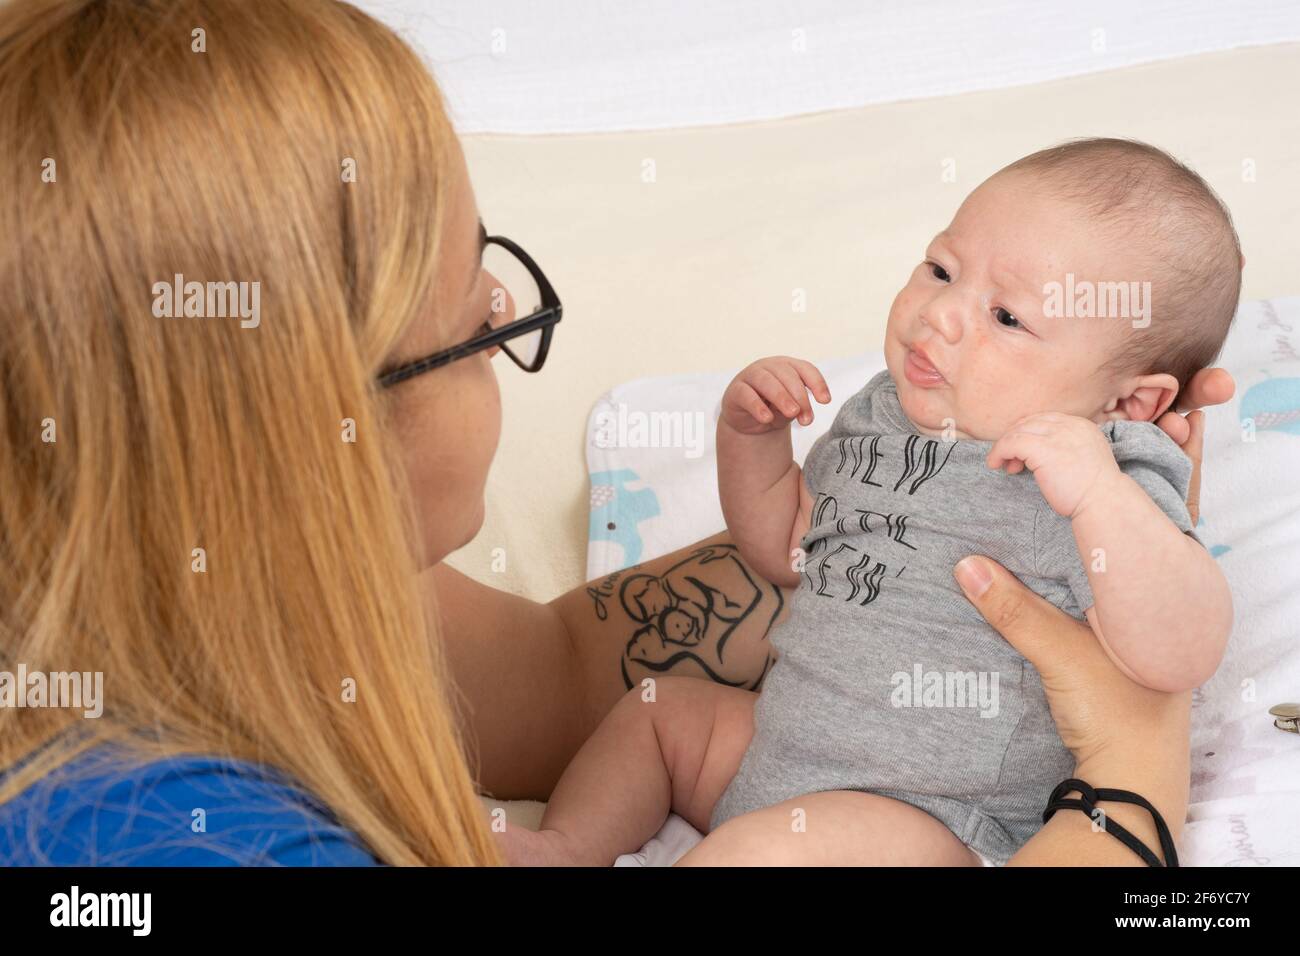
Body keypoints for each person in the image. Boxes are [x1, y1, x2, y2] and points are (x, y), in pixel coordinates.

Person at [0, 0, 1234, 866]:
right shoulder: (168, 844)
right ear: (290, 436)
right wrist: (1128, 780)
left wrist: (1105, 532)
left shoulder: (169, 582)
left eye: (1012, 314)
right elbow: (791, 549)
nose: (500, 309)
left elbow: (553, 666)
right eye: (469, 308)